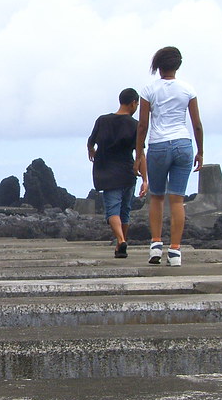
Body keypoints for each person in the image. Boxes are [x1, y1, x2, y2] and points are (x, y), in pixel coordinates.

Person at [135, 46, 204, 267]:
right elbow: (197, 124)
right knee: (177, 199)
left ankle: (156, 245)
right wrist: (200, 151)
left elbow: (143, 125)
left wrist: (139, 153)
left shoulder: (148, 90)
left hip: (159, 145)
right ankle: (175, 252)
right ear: (178, 65)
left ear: (158, 66)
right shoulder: (188, 90)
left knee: (156, 197)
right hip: (183, 144)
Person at [87, 88, 147, 258]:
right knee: (124, 210)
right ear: (134, 103)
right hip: (128, 172)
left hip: (107, 172)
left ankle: (120, 241)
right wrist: (145, 179)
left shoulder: (102, 120)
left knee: (112, 210)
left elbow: (91, 141)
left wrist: (91, 150)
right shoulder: (135, 125)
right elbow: (140, 154)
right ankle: (122, 242)